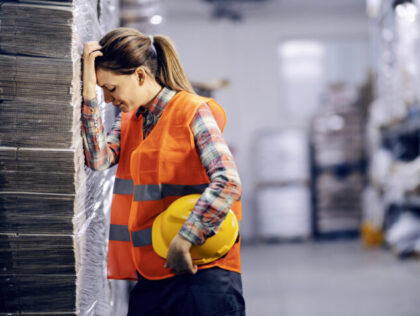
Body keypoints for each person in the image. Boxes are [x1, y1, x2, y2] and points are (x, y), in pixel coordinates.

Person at [81, 27, 245, 316]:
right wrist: (87, 91)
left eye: (111, 89)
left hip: (201, 271)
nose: (108, 100)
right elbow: (97, 158)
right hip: (153, 274)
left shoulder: (192, 112)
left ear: (141, 75)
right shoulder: (131, 120)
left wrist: (185, 239)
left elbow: (228, 182)